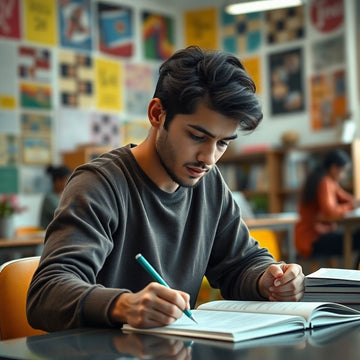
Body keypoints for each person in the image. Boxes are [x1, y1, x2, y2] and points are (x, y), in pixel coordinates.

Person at [27, 46, 305, 333]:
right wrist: (125, 305)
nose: (209, 158)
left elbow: (240, 263)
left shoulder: (208, 183)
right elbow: (47, 293)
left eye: (223, 143)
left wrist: (270, 279)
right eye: (197, 136)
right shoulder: (99, 184)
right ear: (157, 114)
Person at [295, 149, 360, 263]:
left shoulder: (326, 180)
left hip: (308, 237)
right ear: (334, 168)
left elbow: (347, 198)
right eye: (344, 171)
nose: (344, 176)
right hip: (312, 240)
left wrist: (353, 203)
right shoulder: (325, 181)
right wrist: (351, 206)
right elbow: (331, 211)